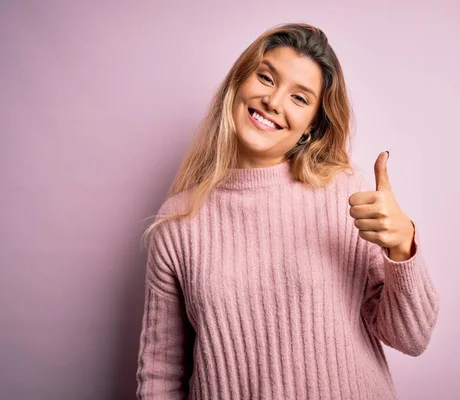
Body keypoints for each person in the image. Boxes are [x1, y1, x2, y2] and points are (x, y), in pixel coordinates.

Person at [136, 22, 439, 400]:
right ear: (239, 84)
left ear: (312, 126)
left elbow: (411, 338)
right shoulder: (177, 224)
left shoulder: (345, 192)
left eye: (299, 98)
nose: (274, 102)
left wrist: (403, 246)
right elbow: (161, 376)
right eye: (266, 78)